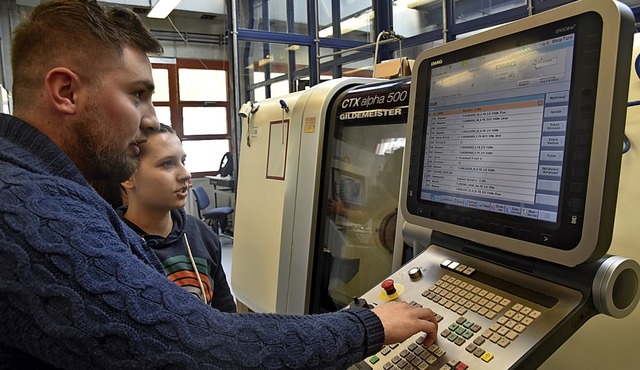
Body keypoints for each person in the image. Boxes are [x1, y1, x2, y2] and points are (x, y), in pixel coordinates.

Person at [0, 1, 438, 368]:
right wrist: (370, 325)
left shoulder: (46, 188)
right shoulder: (31, 210)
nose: (150, 118)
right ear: (65, 92)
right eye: (137, 94)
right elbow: (199, 345)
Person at [118, 123, 236, 312]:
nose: (185, 174)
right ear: (128, 176)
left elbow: (227, 315)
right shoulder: (114, 244)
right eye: (167, 164)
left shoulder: (202, 235)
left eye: (183, 161)